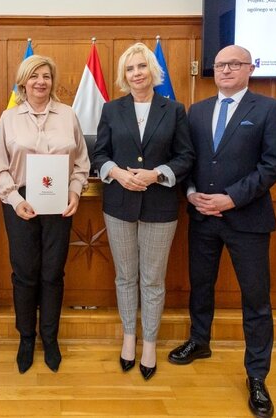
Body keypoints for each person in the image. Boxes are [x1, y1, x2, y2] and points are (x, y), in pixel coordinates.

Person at [167, 45, 276, 418]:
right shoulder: (197, 111)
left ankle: (257, 375)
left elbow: (273, 166)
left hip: (247, 220)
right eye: (220, 64)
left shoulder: (270, 110)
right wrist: (190, 192)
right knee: (201, 285)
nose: (225, 70)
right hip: (203, 217)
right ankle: (199, 340)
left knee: (255, 299)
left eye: (234, 64)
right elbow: (187, 159)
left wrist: (231, 198)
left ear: (250, 69)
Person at [92, 42, 194, 381]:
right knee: (125, 276)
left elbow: (185, 157)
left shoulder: (174, 109)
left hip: (160, 206)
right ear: (124, 75)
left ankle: (149, 343)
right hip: (118, 205)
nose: (137, 73)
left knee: (152, 279)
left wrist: (157, 174)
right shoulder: (111, 109)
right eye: (130, 68)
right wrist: (118, 173)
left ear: (153, 70)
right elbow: (99, 154)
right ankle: (128, 337)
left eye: (141, 66)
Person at [0, 55, 90, 374]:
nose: (40, 82)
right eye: (34, 76)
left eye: (46, 76)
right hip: (20, 202)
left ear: (52, 81)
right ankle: (26, 338)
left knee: (53, 272)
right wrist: (15, 199)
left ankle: (50, 337)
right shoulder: (9, 118)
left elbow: (81, 162)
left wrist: (75, 191)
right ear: (23, 82)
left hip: (60, 202)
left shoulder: (68, 115)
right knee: (25, 273)